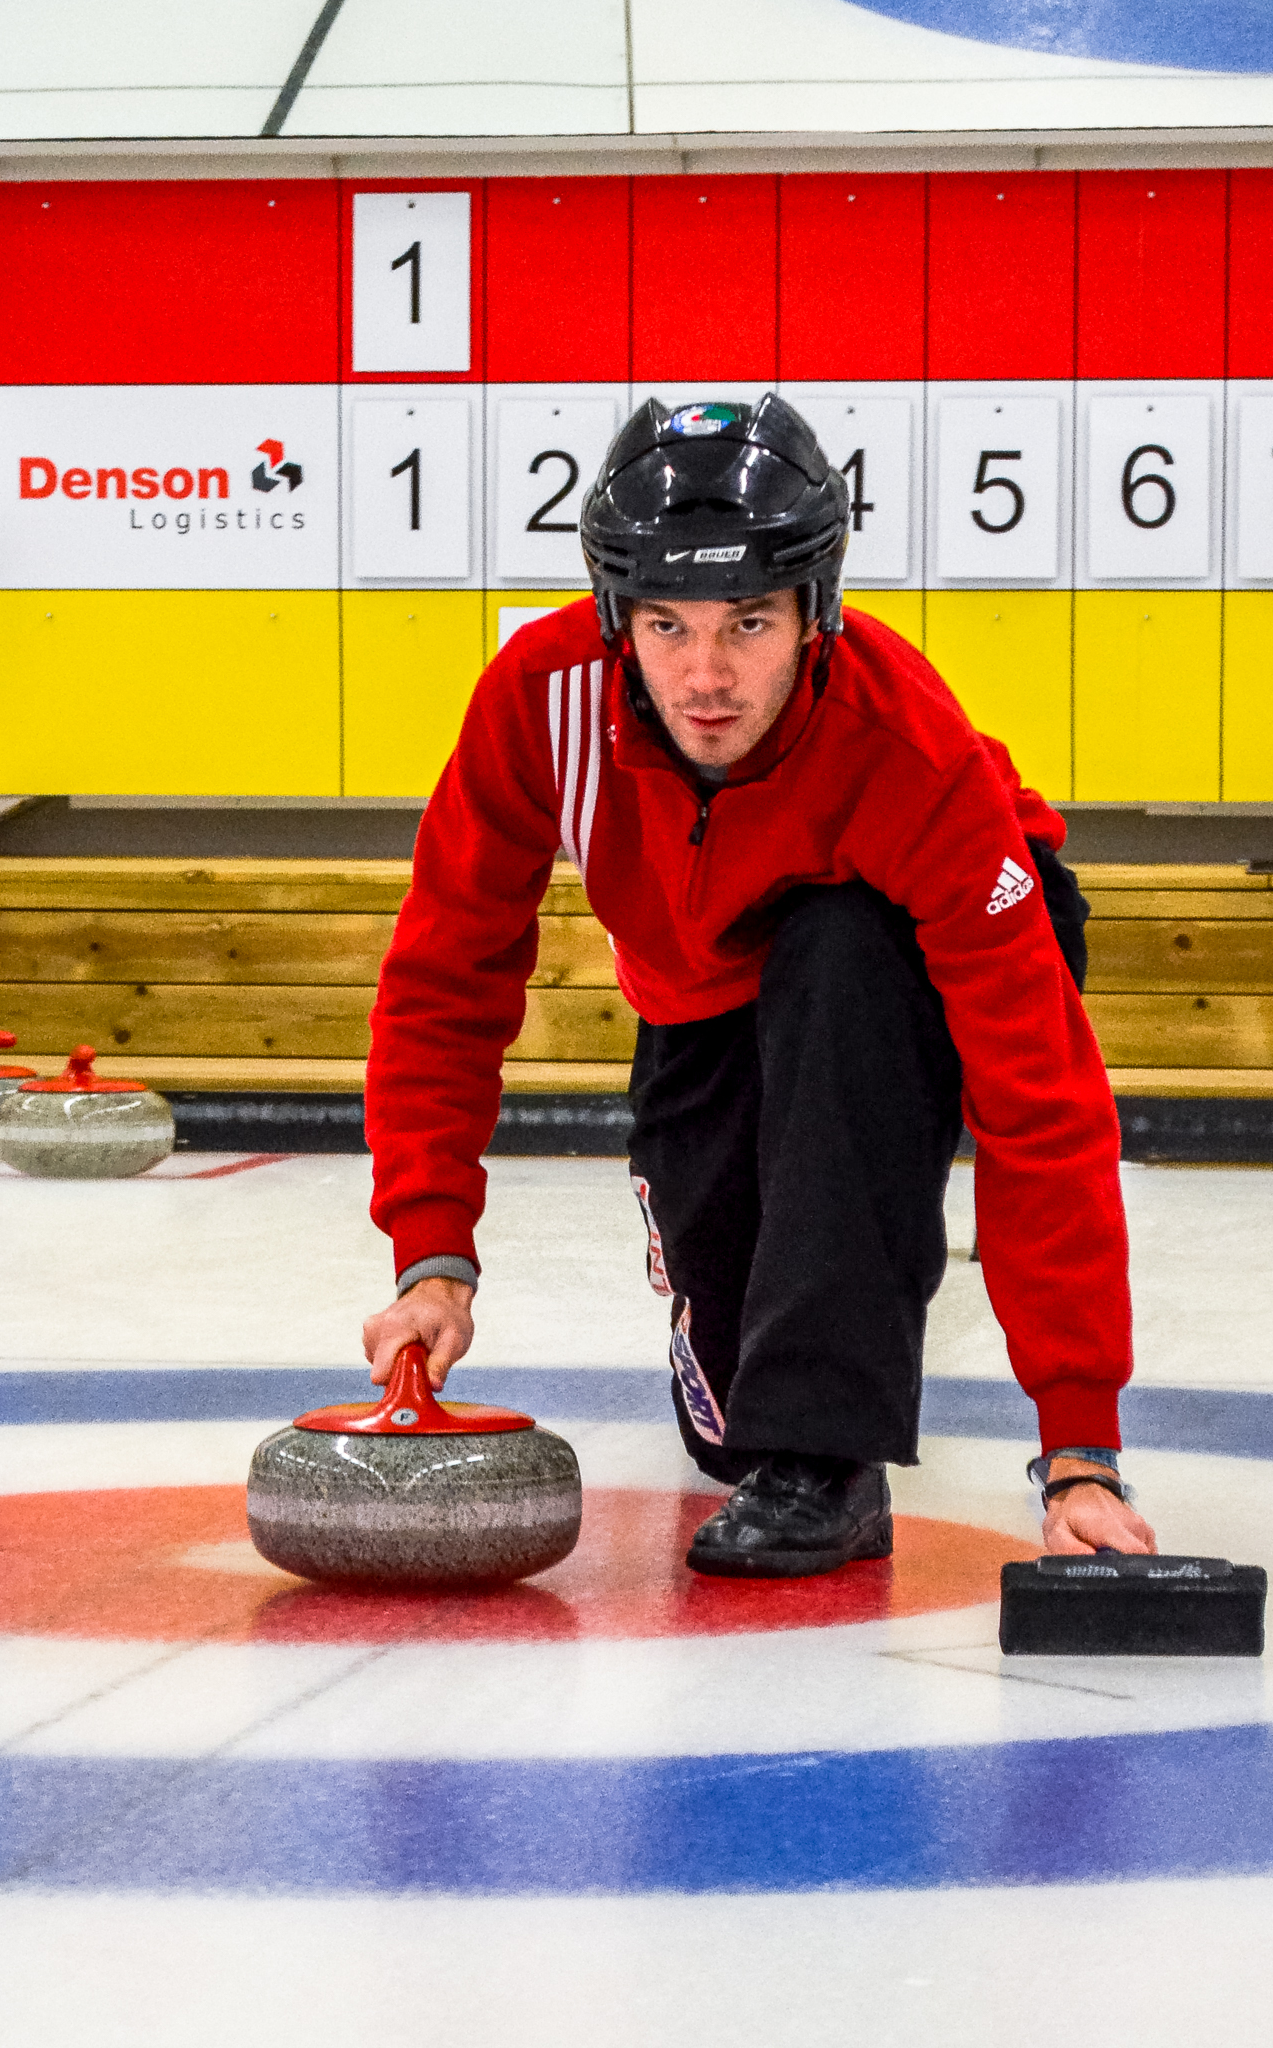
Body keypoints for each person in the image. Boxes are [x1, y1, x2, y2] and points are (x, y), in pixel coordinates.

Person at [358, 393, 1158, 1578]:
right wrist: (432, 1252)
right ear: (615, 618)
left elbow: (1038, 1097)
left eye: (747, 622)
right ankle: (788, 1417)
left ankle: (831, 1453)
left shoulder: (905, 752)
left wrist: (1078, 1444)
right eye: (666, 627)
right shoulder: (538, 699)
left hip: (901, 954)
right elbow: (444, 972)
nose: (706, 676)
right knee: (734, 1428)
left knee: (840, 951)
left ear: (812, 612)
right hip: (703, 986)